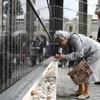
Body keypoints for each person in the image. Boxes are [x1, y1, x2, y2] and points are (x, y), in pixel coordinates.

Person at [54, 30, 100, 99]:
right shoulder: (68, 42)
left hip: (94, 51)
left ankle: (87, 92)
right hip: (87, 53)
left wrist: (64, 56)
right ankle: (80, 89)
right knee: (76, 67)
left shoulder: (75, 38)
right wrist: (63, 56)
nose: (60, 44)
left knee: (84, 70)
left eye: (61, 42)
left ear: (65, 38)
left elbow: (79, 53)